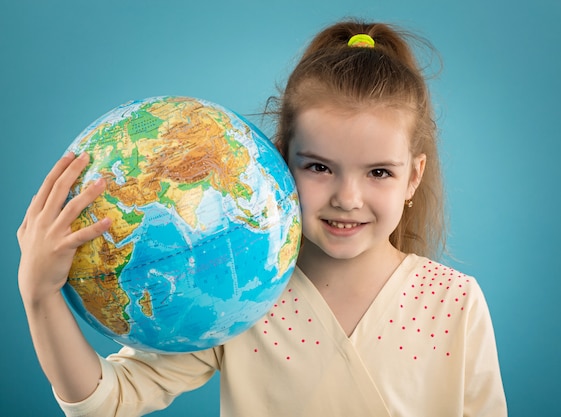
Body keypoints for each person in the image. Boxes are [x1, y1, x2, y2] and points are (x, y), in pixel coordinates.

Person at [17, 20, 507, 416]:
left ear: (413, 178)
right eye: (319, 167)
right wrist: (40, 297)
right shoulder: (236, 291)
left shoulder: (455, 302)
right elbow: (106, 402)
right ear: (278, 163)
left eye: (379, 171)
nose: (348, 197)